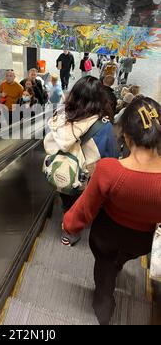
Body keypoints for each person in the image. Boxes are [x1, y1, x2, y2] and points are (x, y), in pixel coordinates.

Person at [62, 96, 161, 325]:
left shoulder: (109, 170)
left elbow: (86, 208)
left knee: (104, 263)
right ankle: (117, 266)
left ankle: (103, 300)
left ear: (125, 134)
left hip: (106, 234)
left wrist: (70, 226)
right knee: (121, 258)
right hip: (141, 241)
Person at [44, 76, 118, 246]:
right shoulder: (103, 126)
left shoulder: (60, 116)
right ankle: (72, 231)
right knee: (82, 203)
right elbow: (110, 156)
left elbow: (50, 143)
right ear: (100, 98)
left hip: (62, 170)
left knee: (67, 198)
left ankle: (66, 221)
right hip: (87, 176)